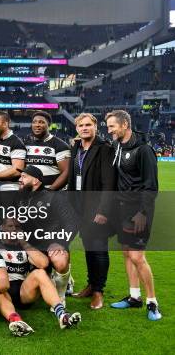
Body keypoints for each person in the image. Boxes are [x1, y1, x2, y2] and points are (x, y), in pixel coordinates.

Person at [106, 110, 161, 321]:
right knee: (127, 254)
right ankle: (134, 297)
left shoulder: (144, 150)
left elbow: (151, 186)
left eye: (112, 127)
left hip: (139, 211)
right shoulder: (118, 145)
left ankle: (152, 302)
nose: (109, 130)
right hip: (122, 208)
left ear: (125, 125)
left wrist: (143, 213)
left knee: (138, 256)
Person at [0, 218, 81, 329]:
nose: (14, 230)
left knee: (40, 273)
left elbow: (43, 263)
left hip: (23, 292)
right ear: (2, 227)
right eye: (10, 226)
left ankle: (62, 315)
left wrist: (23, 243)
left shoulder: (25, 246)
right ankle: (15, 321)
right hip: (2, 290)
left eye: (17, 227)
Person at [69, 113, 117, 310]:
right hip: (80, 207)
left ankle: (98, 291)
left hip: (97, 208)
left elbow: (109, 183)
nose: (84, 128)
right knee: (89, 247)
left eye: (88, 125)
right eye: (81, 125)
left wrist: (103, 210)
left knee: (98, 249)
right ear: (77, 128)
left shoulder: (104, 149)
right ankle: (90, 285)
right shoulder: (77, 147)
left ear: (96, 127)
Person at [17, 165, 78, 305]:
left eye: (24, 177)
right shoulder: (18, 198)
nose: (20, 180)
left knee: (60, 260)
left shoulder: (54, 198)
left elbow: (72, 223)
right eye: (20, 177)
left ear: (36, 181)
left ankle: (61, 296)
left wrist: (60, 242)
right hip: (29, 245)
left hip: (51, 244)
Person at [23, 111, 71, 190]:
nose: (37, 125)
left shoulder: (60, 145)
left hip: (52, 195)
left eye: (41, 122)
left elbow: (66, 173)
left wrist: (50, 191)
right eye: (34, 122)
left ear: (48, 125)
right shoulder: (25, 145)